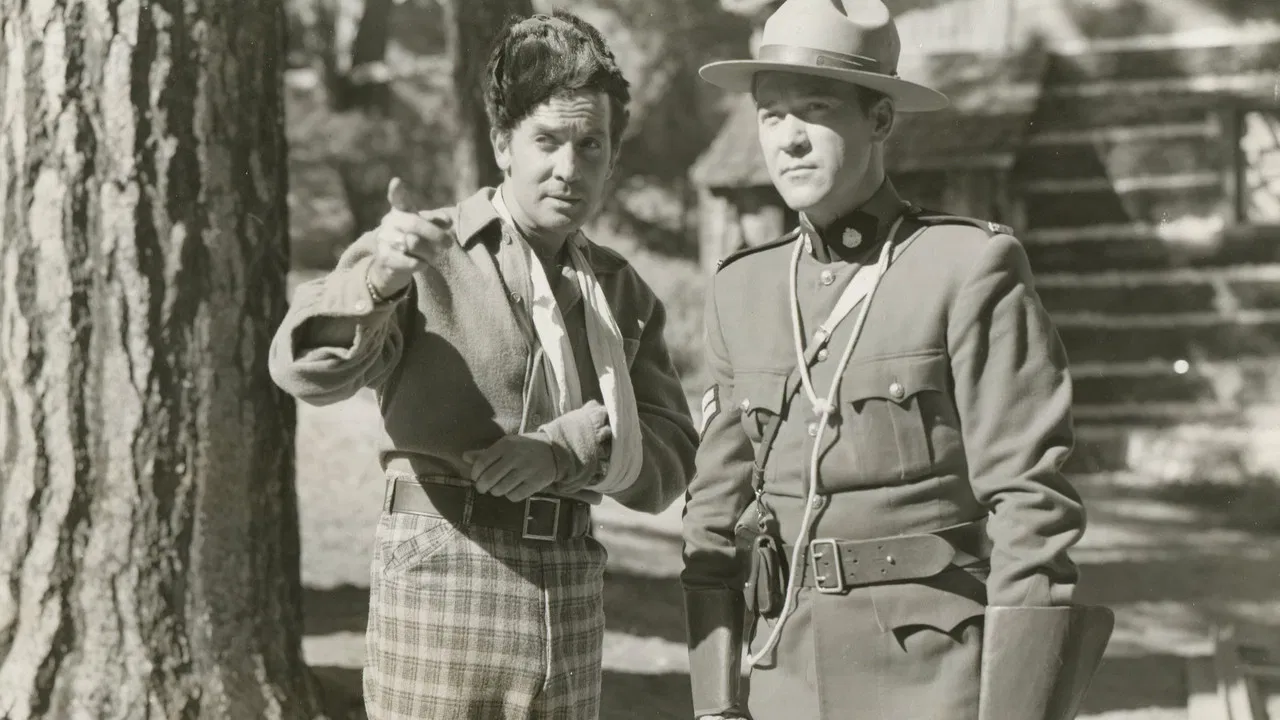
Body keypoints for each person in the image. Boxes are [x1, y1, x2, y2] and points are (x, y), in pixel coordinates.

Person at [680, 0, 1107, 718]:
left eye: (816, 109)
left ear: (879, 120)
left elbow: (1030, 505)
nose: (789, 139)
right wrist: (716, 704)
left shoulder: (966, 267)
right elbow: (714, 518)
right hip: (785, 676)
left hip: (932, 678)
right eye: (771, 115)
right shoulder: (741, 289)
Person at [269, 10, 697, 718]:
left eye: (591, 145)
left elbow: (671, 457)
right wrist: (378, 282)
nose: (569, 169)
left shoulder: (622, 293)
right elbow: (306, 370)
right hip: (442, 578)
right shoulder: (422, 252)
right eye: (546, 141)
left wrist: (571, 448)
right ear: (503, 144)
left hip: (568, 594)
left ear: (613, 155)